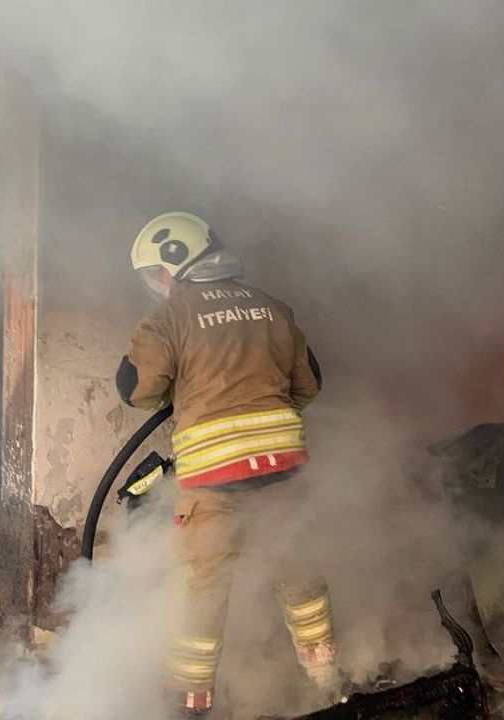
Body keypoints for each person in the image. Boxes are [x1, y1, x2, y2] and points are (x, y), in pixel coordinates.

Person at [115, 211, 336, 716]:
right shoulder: (274, 308)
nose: (157, 284)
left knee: (205, 589)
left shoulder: (167, 319)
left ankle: (190, 703)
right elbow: (309, 386)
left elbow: (137, 391)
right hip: (284, 469)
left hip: (215, 482)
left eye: (156, 274)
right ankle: (326, 680)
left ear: (175, 263)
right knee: (300, 572)